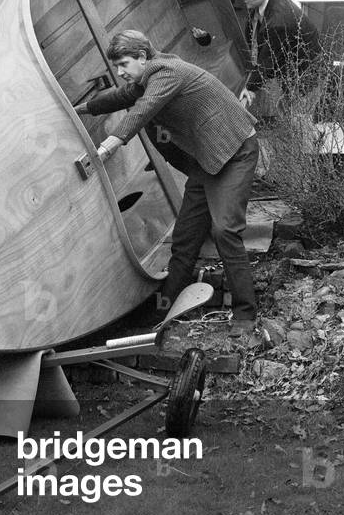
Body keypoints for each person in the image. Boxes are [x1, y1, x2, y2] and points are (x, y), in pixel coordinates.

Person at [75, 30, 258, 336]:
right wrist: (79, 109)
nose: (120, 72)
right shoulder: (148, 77)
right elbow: (122, 97)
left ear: (143, 57)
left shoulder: (166, 74)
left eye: (124, 64)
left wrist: (106, 147)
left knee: (225, 230)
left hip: (236, 151)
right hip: (208, 160)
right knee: (185, 236)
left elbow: (142, 110)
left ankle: (246, 316)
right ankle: (164, 312)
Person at [237, 0, 320, 119]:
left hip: (305, 80)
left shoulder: (278, 21)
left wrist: (249, 88)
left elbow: (267, 62)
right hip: (290, 72)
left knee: (297, 126)